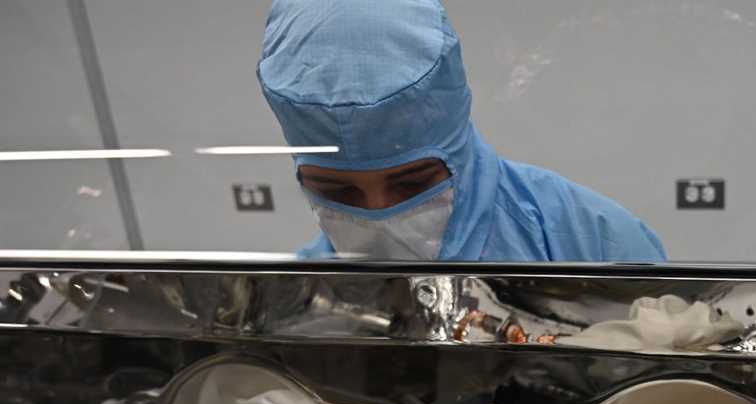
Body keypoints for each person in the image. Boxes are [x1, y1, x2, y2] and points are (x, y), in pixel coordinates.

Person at [258, 0, 665, 262]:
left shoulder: (593, 243)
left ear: (456, 149)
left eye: (412, 184)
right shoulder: (306, 294)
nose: (380, 216)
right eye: (337, 192)